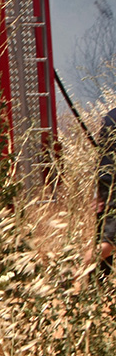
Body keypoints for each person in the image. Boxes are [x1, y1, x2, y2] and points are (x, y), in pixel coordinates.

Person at [85, 108, 116, 279]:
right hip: (113, 186)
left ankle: (99, 289)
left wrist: (98, 193)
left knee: (105, 238)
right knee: (109, 242)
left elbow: (101, 159)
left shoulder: (110, 116)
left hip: (106, 183)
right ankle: (71, 272)